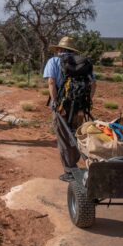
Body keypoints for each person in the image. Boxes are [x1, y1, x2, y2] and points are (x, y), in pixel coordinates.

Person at [43, 36, 97, 182]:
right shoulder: (83, 63)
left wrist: (55, 102)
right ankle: (77, 163)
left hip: (62, 106)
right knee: (77, 134)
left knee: (63, 137)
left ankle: (69, 170)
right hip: (80, 107)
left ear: (59, 49)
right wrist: (86, 102)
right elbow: (93, 84)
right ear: (72, 50)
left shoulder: (53, 61)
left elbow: (51, 82)